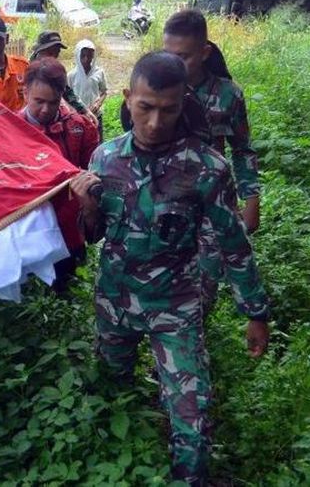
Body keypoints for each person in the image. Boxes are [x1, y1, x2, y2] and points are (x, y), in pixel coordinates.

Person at [70, 52, 270, 485]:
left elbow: (234, 245)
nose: (156, 122)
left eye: (169, 109)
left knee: (192, 420)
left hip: (176, 308)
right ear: (127, 98)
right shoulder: (105, 159)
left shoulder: (206, 169)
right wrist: (87, 207)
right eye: (145, 107)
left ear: (184, 103)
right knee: (110, 397)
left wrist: (255, 312)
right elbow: (95, 235)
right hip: (115, 305)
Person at [163, 9, 261, 313]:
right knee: (163, 276)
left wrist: (252, 200)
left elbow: (242, 149)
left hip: (211, 202)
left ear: (205, 52)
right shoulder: (160, 90)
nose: (175, 65)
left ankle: (193, 337)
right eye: (169, 55)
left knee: (204, 282)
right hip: (164, 198)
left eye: (185, 56)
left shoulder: (228, 95)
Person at [18, 58, 99, 293]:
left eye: (52, 103)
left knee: (67, 293)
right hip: (28, 234)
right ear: (25, 93)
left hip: (69, 232)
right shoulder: (10, 129)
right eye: (38, 101)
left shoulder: (80, 128)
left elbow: (92, 173)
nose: (45, 109)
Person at [29, 31, 97, 125]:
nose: (54, 55)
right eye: (50, 51)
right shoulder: (26, 69)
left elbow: (67, 92)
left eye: (57, 51)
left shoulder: (57, 70)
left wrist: (85, 111)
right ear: (40, 50)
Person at [68, 39, 108, 140]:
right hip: (78, 117)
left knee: (97, 142)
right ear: (78, 56)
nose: (86, 59)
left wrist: (98, 104)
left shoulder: (99, 72)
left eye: (90, 56)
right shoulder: (71, 75)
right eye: (83, 56)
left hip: (96, 115)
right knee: (80, 143)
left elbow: (104, 91)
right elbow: (67, 97)